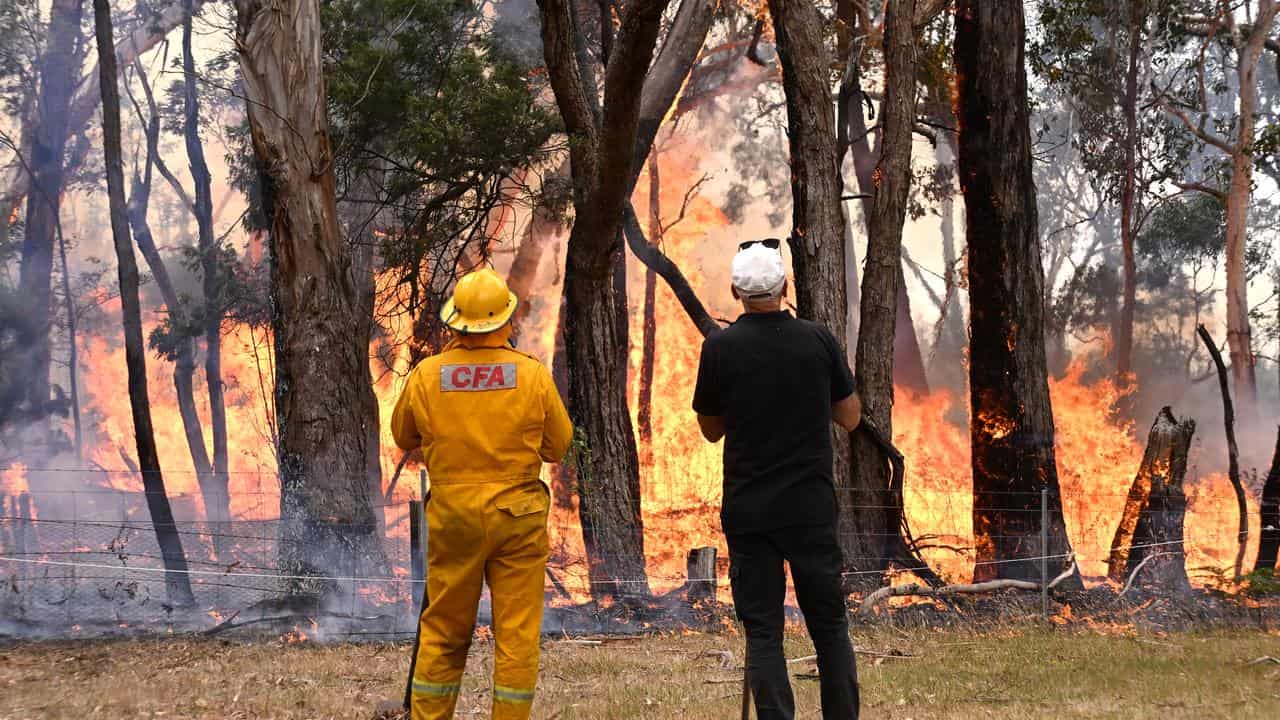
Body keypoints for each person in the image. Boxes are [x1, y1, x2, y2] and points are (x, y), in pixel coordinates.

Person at [391, 267, 573, 720]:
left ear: (455, 323)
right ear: (506, 322)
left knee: (444, 631)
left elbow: (403, 435)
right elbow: (558, 445)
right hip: (518, 519)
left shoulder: (427, 376)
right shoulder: (530, 375)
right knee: (516, 635)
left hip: (455, 522)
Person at [692, 239, 863, 720]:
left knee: (763, 631)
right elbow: (850, 418)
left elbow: (710, 430)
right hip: (809, 508)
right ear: (785, 287)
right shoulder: (818, 340)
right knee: (829, 626)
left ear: (736, 292)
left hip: (750, 512)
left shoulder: (721, 349)